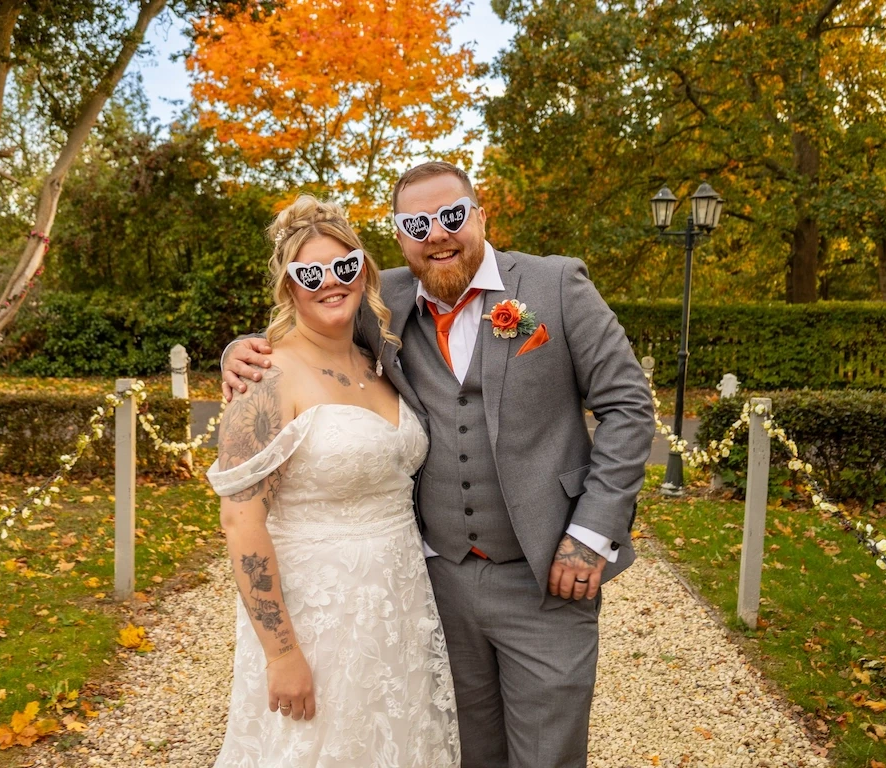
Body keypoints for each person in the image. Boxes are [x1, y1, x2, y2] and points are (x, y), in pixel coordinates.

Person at [223, 162, 656, 768]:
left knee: (547, 757)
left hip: (545, 577)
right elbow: (312, 320)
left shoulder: (556, 287)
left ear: (480, 215)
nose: (437, 234)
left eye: (452, 215)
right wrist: (239, 352)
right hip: (435, 585)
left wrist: (590, 537)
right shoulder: (384, 300)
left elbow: (629, 407)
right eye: (416, 224)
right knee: (456, 750)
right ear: (398, 238)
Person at [205, 195, 460, 768]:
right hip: (317, 619)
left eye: (344, 267)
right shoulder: (266, 380)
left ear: (364, 270)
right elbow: (240, 521)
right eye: (310, 273)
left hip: (401, 609)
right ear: (288, 286)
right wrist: (282, 653)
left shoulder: (380, 360)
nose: (330, 282)